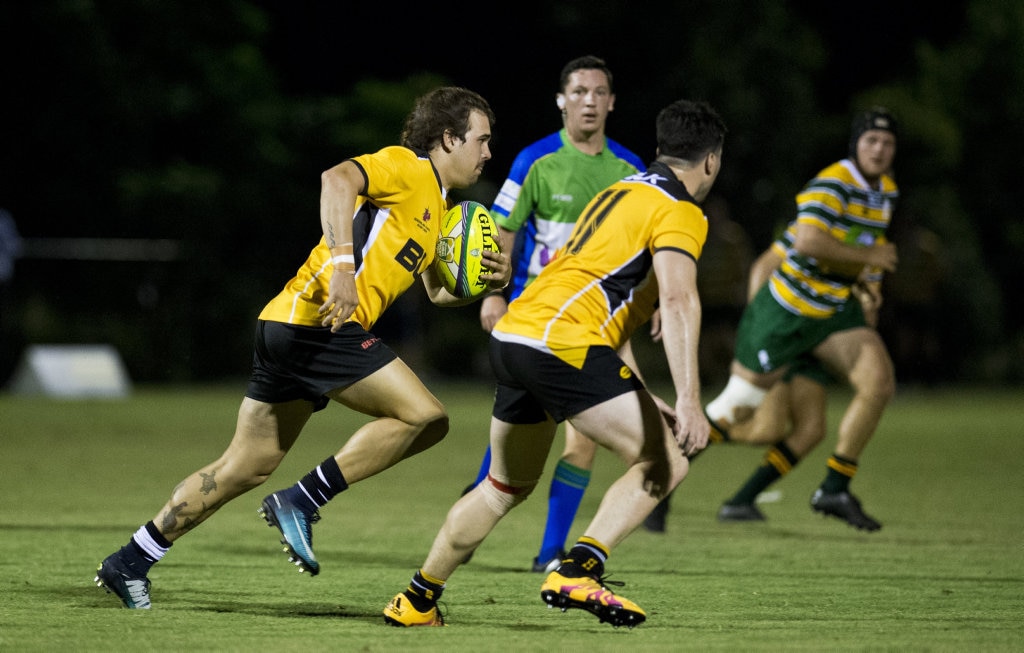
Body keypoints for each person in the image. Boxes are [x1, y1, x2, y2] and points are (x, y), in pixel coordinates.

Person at [93, 86, 510, 609]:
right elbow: (335, 179)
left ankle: (130, 559)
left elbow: (435, 291)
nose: (488, 153)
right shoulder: (407, 168)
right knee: (426, 417)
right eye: (482, 140)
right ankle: (303, 500)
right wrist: (341, 267)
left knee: (244, 466)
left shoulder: (442, 208)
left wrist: (487, 283)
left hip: (291, 326)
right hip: (320, 322)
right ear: (448, 138)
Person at [383, 99, 727, 628]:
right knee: (670, 457)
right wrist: (688, 402)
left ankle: (416, 600)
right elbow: (680, 301)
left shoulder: (617, 193)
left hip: (519, 335)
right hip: (561, 344)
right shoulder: (681, 212)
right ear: (711, 161)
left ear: (659, 151)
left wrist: (640, 393)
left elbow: (601, 304)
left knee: (502, 487)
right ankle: (579, 568)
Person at [467, 55, 645, 572]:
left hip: (591, 322)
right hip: (530, 322)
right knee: (516, 431)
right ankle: (475, 509)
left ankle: (550, 550)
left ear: (611, 102)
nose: (589, 100)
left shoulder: (630, 171)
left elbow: (641, 248)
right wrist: (492, 294)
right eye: (579, 91)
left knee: (583, 437)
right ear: (562, 101)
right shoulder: (534, 161)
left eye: (598, 92)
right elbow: (502, 229)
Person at [701, 106, 900, 532]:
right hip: (784, 319)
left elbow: (865, 246)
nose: (880, 149)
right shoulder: (830, 186)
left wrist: (868, 281)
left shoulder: (885, 192)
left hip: (829, 316)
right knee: (745, 415)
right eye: (871, 141)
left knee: (862, 392)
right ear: (856, 145)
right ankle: (663, 471)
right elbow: (800, 248)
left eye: (887, 143)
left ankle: (832, 487)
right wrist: (760, 324)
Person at [714, 243, 884, 524]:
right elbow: (762, 267)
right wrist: (761, 328)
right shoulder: (820, 222)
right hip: (789, 332)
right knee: (766, 430)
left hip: (817, 343)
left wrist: (866, 305)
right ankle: (684, 441)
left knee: (811, 430)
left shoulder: (873, 242)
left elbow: (868, 313)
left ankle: (740, 502)